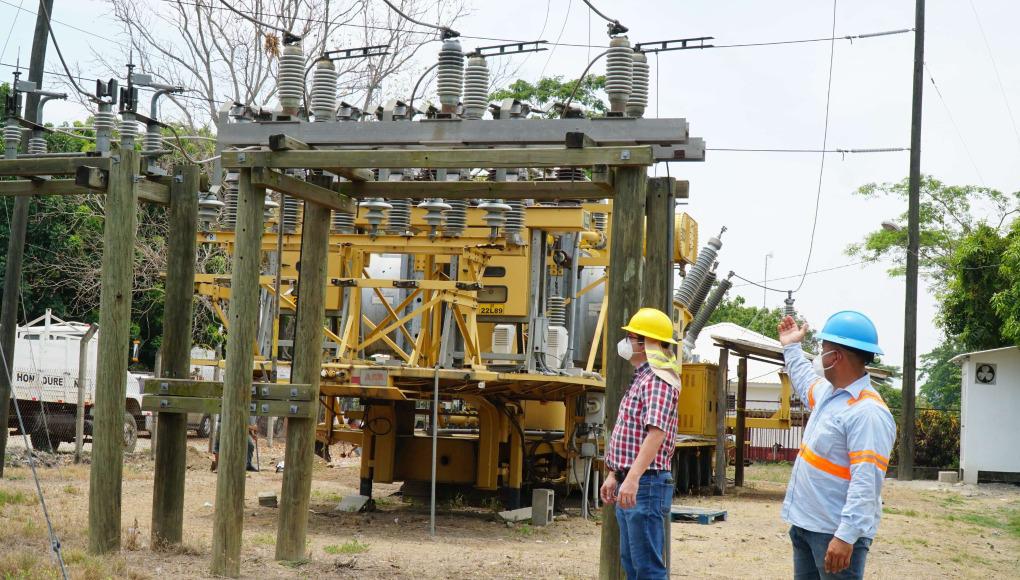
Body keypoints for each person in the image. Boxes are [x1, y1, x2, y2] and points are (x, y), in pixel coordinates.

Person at [777, 311, 897, 580]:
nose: (820, 357)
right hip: (806, 525)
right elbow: (805, 378)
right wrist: (791, 346)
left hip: (835, 533)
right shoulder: (830, 395)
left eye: (823, 350)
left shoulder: (868, 412)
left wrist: (846, 536)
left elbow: (867, 480)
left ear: (837, 357)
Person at [599, 307, 682, 580]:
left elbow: (655, 434)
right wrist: (615, 474)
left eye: (631, 337)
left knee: (647, 569)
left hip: (646, 484)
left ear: (646, 343)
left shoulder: (657, 381)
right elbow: (630, 433)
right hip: (634, 482)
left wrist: (632, 478)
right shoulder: (643, 378)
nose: (626, 343)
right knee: (634, 565)